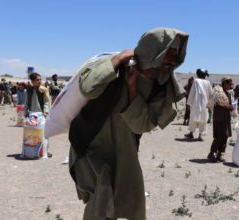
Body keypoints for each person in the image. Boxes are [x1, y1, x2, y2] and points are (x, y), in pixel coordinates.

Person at [68, 27, 189, 220]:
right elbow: (88, 87)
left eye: (176, 55)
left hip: (125, 151)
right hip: (90, 143)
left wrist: (133, 90)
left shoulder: (162, 86)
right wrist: (118, 60)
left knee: (126, 201)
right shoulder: (118, 65)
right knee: (102, 196)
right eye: (169, 53)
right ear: (153, 49)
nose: (172, 61)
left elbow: (142, 125)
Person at [25, 73, 51, 157]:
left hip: (41, 114)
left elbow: (46, 101)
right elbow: (26, 102)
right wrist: (26, 112)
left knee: (44, 133)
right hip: (31, 114)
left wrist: (46, 112)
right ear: (32, 81)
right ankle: (34, 151)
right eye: (37, 80)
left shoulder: (43, 89)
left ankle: (45, 151)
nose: (40, 81)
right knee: (32, 134)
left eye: (40, 79)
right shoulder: (29, 90)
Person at [207, 77, 233, 162]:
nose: (231, 86)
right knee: (219, 136)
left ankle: (220, 154)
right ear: (225, 83)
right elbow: (216, 104)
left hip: (226, 117)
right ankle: (211, 153)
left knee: (225, 136)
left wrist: (231, 107)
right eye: (229, 84)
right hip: (219, 117)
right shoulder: (218, 92)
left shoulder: (229, 94)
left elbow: (229, 104)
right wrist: (225, 106)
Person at [185, 68, 212, 141]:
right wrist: (209, 104)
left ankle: (191, 133)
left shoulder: (196, 81)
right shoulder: (208, 82)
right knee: (203, 120)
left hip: (196, 104)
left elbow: (192, 92)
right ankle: (200, 136)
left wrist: (189, 103)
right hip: (205, 105)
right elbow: (211, 94)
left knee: (193, 118)